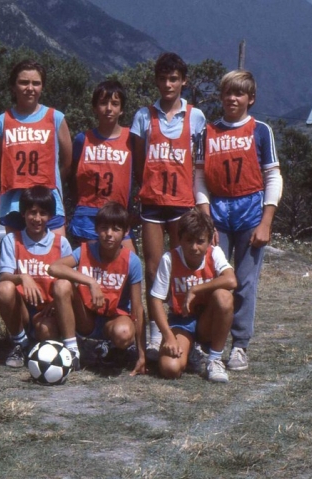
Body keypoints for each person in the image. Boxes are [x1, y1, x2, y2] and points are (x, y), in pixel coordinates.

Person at [195, 70, 283, 371]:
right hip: (217, 213)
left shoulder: (260, 130)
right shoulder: (208, 132)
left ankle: (240, 345)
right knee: (213, 280)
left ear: (251, 98)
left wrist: (266, 221)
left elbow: (273, 175)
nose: (233, 98)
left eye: (240, 93)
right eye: (228, 93)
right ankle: (205, 342)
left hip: (250, 212)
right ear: (220, 96)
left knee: (245, 282)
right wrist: (206, 219)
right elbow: (199, 178)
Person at [130, 52, 207, 361]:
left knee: (184, 268)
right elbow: (138, 162)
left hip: (182, 202)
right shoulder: (143, 115)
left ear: (183, 81)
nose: (168, 84)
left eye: (173, 78)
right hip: (152, 202)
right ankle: (154, 330)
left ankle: (189, 330)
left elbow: (200, 163)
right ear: (156, 81)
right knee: (152, 267)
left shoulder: (196, 116)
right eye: (162, 78)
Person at [49, 202, 145, 374]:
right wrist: (90, 282)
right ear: (96, 229)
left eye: (115, 229)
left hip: (115, 318)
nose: (109, 234)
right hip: (87, 316)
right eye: (104, 228)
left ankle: (117, 349)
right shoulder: (85, 250)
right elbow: (54, 268)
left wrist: (142, 354)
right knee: (61, 284)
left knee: (123, 332)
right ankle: (72, 351)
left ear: (125, 232)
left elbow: (137, 308)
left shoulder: (132, 261)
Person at [148, 208, 237, 383]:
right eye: (188, 241)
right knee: (169, 368)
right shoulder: (170, 258)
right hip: (182, 321)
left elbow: (231, 280)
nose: (194, 247)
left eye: (200, 241)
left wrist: (195, 289)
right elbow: (156, 299)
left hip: (207, 320)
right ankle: (190, 351)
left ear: (209, 240)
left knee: (224, 296)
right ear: (179, 239)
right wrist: (167, 336)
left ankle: (214, 359)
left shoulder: (214, 253)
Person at [0, 186, 73, 368]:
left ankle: (57, 344)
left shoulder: (61, 243)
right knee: (3, 288)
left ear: (50, 216)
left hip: (49, 310)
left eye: (43, 213)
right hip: (22, 309)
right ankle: (19, 342)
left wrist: (56, 304)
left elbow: (70, 283)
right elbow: (4, 276)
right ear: (23, 214)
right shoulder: (12, 240)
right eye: (32, 212)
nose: (37, 219)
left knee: (46, 332)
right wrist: (23, 277)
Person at [0, 59, 72, 235]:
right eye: (24, 82)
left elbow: (67, 161)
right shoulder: (0, 122)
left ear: (42, 87)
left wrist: (54, 182)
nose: (30, 88)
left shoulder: (55, 118)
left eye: (36, 83)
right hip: (14, 203)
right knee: (18, 258)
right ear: (13, 86)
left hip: (49, 200)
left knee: (55, 257)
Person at [69, 80, 136, 252]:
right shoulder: (82, 139)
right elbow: (72, 177)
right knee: (90, 266)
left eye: (114, 104)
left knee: (129, 263)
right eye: (103, 103)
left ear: (121, 109)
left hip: (118, 215)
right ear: (94, 107)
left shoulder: (131, 139)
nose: (108, 108)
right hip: (88, 214)